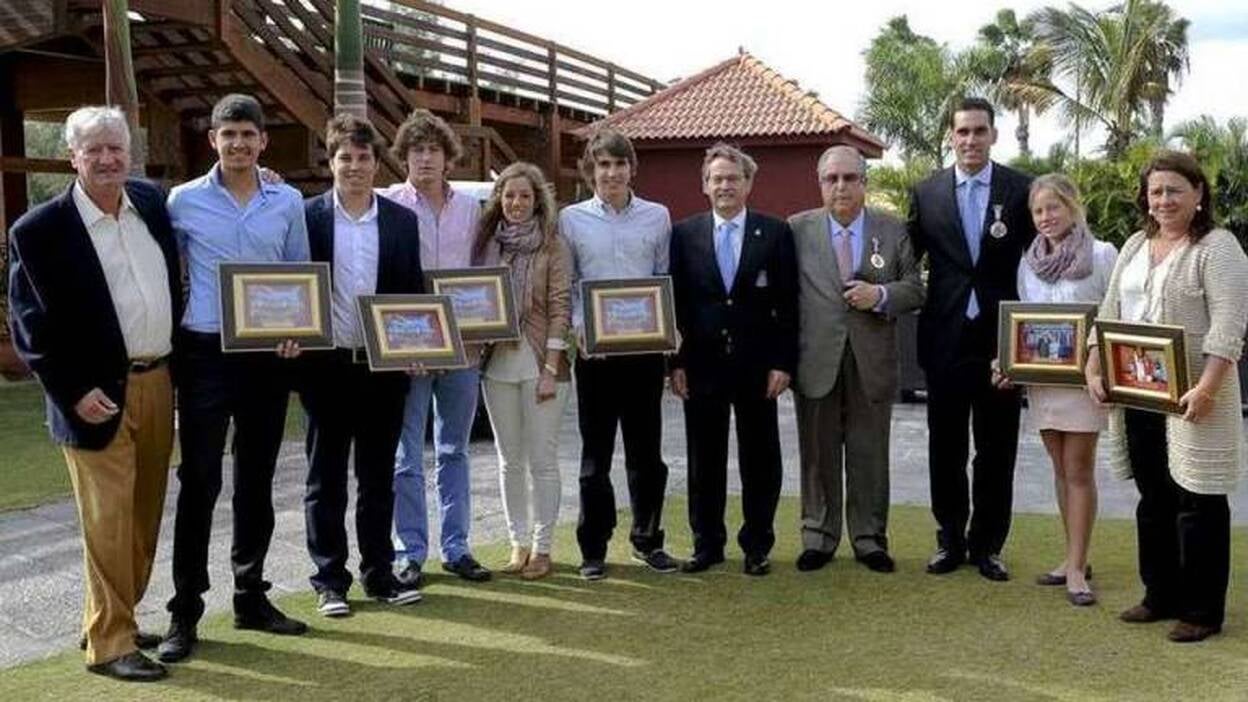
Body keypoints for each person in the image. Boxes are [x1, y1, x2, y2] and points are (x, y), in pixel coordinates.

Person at [7, 107, 180, 682]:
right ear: (71, 156)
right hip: (92, 397)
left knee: (143, 517)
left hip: (159, 382)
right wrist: (73, 390)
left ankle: (114, 617)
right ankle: (110, 644)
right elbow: (31, 326)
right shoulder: (39, 230)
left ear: (129, 152)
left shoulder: (152, 204)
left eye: (116, 148)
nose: (107, 159)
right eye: (94, 150)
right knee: (107, 520)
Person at [160, 94, 311, 663]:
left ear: (263, 141)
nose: (240, 144)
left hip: (267, 355)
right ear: (213, 141)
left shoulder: (287, 200)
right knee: (199, 481)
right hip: (204, 353)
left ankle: (251, 597)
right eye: (230, 135)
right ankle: (185, 613)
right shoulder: (183, 201)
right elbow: (165, 266)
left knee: (257, 479)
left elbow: (300, 274)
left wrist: (299, 328)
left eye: (249, 134)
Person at [1085, 150, 1248, 642]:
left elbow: (1229, 322)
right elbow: (1109, 308)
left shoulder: (1218, 248)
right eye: (1156, 191)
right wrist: (1095, 363)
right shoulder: (1136, 243)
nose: (1163, 200)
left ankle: (1201, 611)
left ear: (1198, 195)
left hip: (1196, 395)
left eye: (1174, 189)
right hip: (1138, 391)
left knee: (1197, 500)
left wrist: (1208, 388)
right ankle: (1160, 595)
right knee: (1153, 496)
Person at [300, 115, 425, 617]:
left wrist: (417, 343)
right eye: (345, 158)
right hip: (325, 367)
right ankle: (330, 580)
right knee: (324, 478)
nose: (354, 166)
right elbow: (294, 289)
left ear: (377, 163)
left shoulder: (400, 222)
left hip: (383, 369)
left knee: (378, 477)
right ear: (331, 162)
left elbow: (412, 294)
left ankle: (378, 574)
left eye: (364, 157)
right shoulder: (306, 218)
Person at [908, 97, 1036, 581]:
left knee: (996, 449)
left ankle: (988, 546)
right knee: (945, 448)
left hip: (1001, 344)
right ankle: (949, 541)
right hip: (945, 339)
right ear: (951, 136)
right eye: (962, 132)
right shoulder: (926, 192)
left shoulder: (1020, 190)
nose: (970, 140)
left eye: (979, 131)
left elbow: (1039, 261)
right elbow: (906, 259)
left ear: (993, 135)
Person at [789, 145, 924, 573]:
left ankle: (869, 538)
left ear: (865, 183)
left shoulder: (892, 227)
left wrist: (879, 295)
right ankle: (818, 535)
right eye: (832, 179)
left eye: (850, 178)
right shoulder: (796, 230)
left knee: (869, 453)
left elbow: (915, 288)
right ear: (820, 183)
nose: (841, 186)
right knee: (817, 452)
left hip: (872, 360)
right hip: (815, 359)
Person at [668, 143, 797, 576]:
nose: (724, 185)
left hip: (758, 367)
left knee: (761, 460)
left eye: (732, 178)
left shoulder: (776, 233)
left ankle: (757, 545)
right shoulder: (683, 235)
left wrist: (783, 362)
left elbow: (787, 304)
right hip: (701, 366)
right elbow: (677, 305)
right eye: (716, 178)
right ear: (705, 185)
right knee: (704, 461)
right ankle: (708, 544)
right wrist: (676, 363)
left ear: (748, 183)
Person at [992, 174, 1117, 606]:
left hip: (1086, 380)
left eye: (1053, 208)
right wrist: (1007, 362)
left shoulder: (1102, 255)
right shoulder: (1028, 262)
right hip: (1044, 382)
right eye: (1038, 211)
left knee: (1079, 469)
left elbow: (1112, 315)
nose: (1046, 217)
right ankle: (1070, 556)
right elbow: (1025, 325)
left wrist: (1096, 364)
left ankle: (1079, 568)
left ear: (1072, 206)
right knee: (1060, 470)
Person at [379, 109, 491, 585]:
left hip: (464, 347)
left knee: (454, 449)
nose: (425, 158)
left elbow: (488, 272)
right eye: (416, 150)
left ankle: (457, 547)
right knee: (406, 455)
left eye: (433, 150)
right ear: (404, 157)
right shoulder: (387, 203)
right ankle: (410, 551)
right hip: (410, 346)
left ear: (449, 158)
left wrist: (485, 330)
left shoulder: (473, 208)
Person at [561, 129, 677, 580]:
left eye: (619, 164)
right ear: (592, 169)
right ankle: (593, 548)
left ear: (632, 168)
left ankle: (648, 541)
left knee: (646, 455)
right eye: (603, 165)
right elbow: (569, 284)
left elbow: (663, 278)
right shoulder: (572, 219)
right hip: (595, 357)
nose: (611, 173)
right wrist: (579, 329)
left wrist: (666, 329)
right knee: (595, 458)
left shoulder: (658, 216)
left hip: (645, 354)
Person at [471, 162, 573, 580]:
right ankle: (519, 545)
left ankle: (544, 548)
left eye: (524, 196)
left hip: (542, 367)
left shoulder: (553, 245)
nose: (516, 203)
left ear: (537, 201)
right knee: (508, 460)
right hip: (497, 367)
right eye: (509, 195)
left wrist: (550, 368)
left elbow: (560, 307)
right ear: (499, 199)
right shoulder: (487, 245)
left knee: (542, 461)